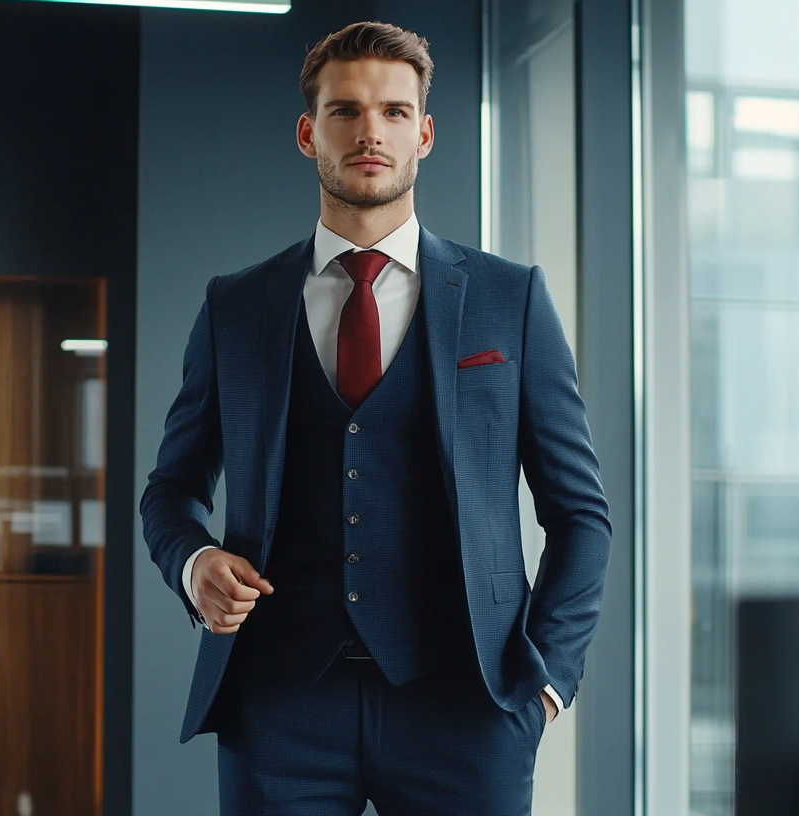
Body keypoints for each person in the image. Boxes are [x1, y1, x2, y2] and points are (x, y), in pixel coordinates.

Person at [141, 20, 611, 815]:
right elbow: (171, 490)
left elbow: (580, 515)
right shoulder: (237, 306)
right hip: (281, 707)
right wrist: (195, 565)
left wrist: (547, 686)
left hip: (467, 708)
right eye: (345, 111)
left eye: (395, 112)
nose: (371, 132)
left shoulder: (510, 299)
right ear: (307, 132)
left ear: (424, 134)